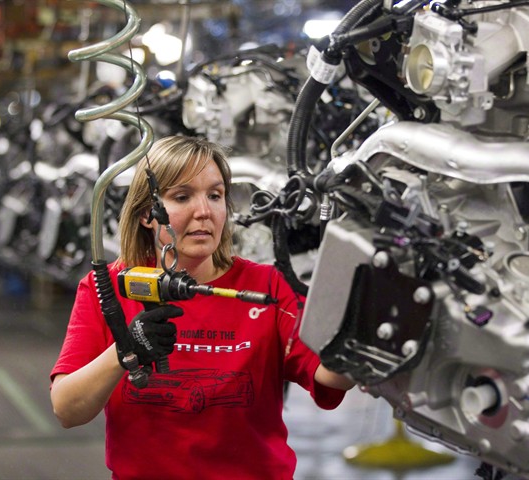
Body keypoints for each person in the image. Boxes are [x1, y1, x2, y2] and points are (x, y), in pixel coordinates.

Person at [50, 135, 354, 480]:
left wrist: (366, 312)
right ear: (147, 214)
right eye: (182, 197)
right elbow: (67, 409)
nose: (204, 211)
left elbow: (332, 376)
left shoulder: (267, 287)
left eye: (215, 195)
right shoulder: (109, 288)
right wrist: (125, 351)